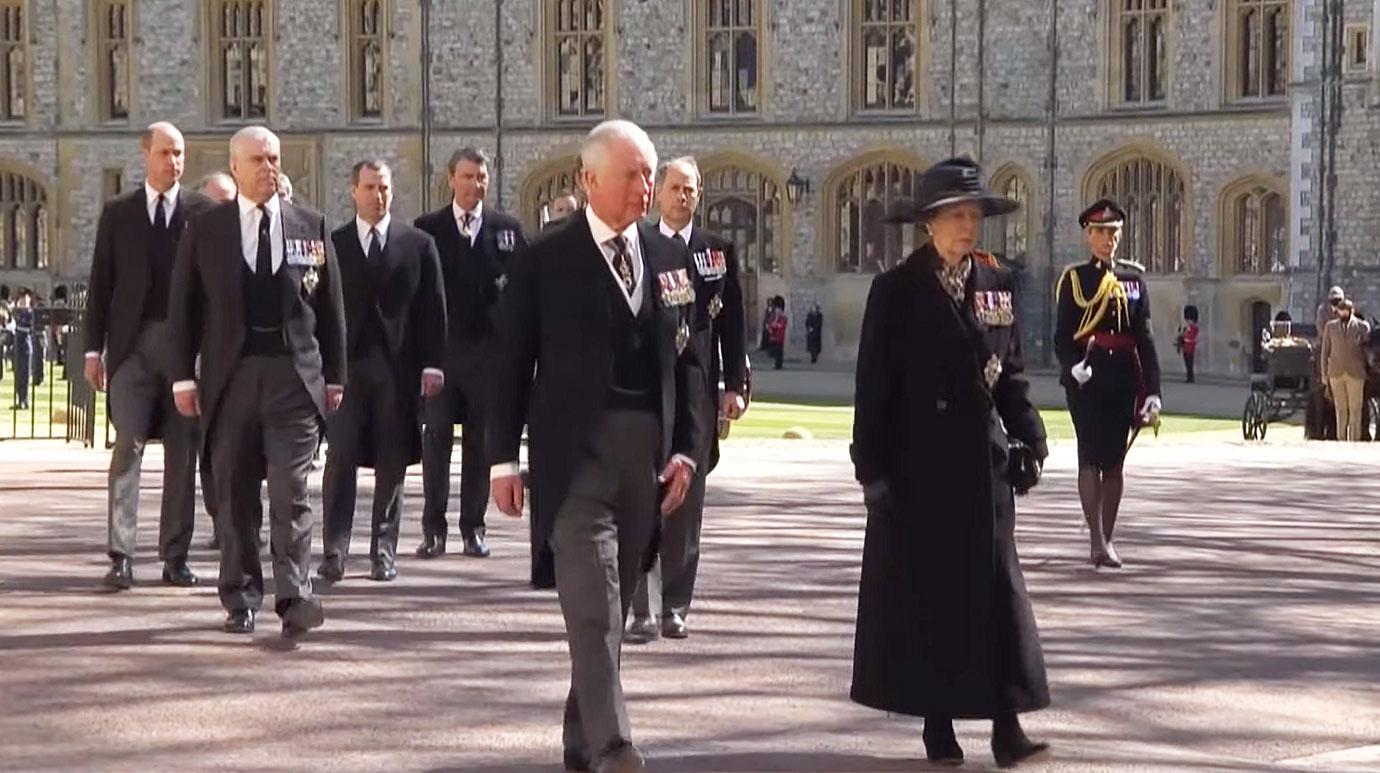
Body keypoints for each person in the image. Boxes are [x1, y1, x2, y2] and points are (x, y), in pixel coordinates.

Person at [488, 120, 708, 772]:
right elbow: (510, 363)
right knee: (593, 599)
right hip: (573, 455)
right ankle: (615, 744)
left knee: (611, 600)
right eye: (633, 175)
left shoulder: (669, 260)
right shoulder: (544, 258)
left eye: (650, 173)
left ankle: (582, 731)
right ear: (589, 180)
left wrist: (689, 450)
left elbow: (692, 362)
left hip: (648, 456)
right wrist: (504, 459)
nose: (648, 187)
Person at [851, 157, 1051, 769]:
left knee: (997, 594)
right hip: (920, 469)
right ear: (929, 223)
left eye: (975, 216)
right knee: (930, 598)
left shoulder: (995, 282)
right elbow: (872, 388)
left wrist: (1030, 437)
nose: (969, 227)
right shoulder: (896, 291)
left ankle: (1006, 726)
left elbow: (1010, 372)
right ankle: (937, 726)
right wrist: (873, 472)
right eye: (957, 216)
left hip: (982, 464)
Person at [166, 126, 346, 637]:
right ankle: (241, 595)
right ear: (236, 167)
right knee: (236, 490)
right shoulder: (207, 230)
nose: (269, 167)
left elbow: (330, 311)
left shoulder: (310, 225)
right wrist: (183, 377)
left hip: (293, 376)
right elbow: (184, 310)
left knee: (292, 489)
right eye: (258, 160)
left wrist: (335, 375)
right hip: (232, 377)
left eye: (274, 158)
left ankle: (294, 594)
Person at [84, 122, 214, 590]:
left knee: (183, 455)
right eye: (165, 152)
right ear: (146, 154)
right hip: (131, 349)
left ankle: (175, 555)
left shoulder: (202, 212)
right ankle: (121, 553)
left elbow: (214, 290)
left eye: (179, 153)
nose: (173, 161)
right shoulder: (118, 213)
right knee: (127, 447)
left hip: (183, 352)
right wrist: (91, 351)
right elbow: (101, 284)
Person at [627, 156, 747, 643]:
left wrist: (735, 385)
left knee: (687, 500)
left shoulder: (716, 251)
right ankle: (641, 608)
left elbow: (733, 322)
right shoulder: (640, 246)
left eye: (691, 190)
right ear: (659, 191)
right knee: (640, 497)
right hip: (648, 384)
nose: (683, 196)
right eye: (675, 187)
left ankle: (676, 603)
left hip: (697, 386)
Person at [317, 160, 447, 583]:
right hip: (347, 370)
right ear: (353, 190)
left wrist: (433, 364)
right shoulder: (332, 244)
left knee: (392, 462)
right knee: (341, 459)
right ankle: (335, 549)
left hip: (398, 370)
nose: (379, 196)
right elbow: (318, 310)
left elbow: (433, 310)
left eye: (385, 188)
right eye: (370, 187)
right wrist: (322, 369)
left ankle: (383, 551)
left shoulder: (418, 244)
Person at [414, 147, 529, 560]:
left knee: (480, 446)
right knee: (437, 445)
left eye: (481, 177)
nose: (475, 184)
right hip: (443, 357)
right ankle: (433, 530)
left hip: (489, 360)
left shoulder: (508, 231)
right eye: (467, 176)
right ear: (451, 179)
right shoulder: (427, 230)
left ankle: (472, 529)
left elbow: (523, 293)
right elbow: (419, 298)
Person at [1054, 199, 1162, 569]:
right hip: (1087, 374)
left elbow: (1145, 339)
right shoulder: (1075, 280)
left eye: (1113, 232)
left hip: (1122, 376)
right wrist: (1071, 369)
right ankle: (1095, 540)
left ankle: (1109, 538)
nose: (1107, 239)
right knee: (1089, 455)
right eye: (1100, 232)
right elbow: (1062, 336)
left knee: (1115, 461)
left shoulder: (1132, 281)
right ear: (1088, 235)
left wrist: (1154, 393)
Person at [1320, 299, 1371, 441]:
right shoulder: (1330, 327)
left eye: (1345, 311)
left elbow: (1368, 350)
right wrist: (1324, 374)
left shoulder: (1362, 327)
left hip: (1356, 373)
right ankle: (1341, 439)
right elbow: (1325, 352)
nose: (1342, 313)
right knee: (1340, 409)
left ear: (1351, 311)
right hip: (1336, 373)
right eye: (1340, 311)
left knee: (1355, 408)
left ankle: (1354, 439)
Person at [9, 288, 34, 409]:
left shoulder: (29, 312)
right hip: (17, 343)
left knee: (25, 373)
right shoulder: (16, 312)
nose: (23, 301)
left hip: (25, 343)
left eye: (25, 298)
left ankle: (24, 400)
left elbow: (29, 327)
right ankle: (20, 399)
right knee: (18, 373)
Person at [1175, 306, 1199, 383]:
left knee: (1189, 363)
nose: (1188, 321)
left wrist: (1183, 336)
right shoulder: (1188, 327)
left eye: (1189, 319)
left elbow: (1190, 336)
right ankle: (1189, 377)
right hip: (1186, 347)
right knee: (1187, 363)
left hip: (1190, 347)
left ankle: (1191, 377)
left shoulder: (1194, 327)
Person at [767, 297, 787, 369]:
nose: (777, 311)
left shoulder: (783, 318)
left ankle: (779, 364)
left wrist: (774, 325)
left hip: (779, 336)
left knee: (779, 351)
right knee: (776, 351)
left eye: (778, 310)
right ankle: (776, 364)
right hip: (774, 337)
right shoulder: (774, 317)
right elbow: (770, 324)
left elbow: (779, 326)